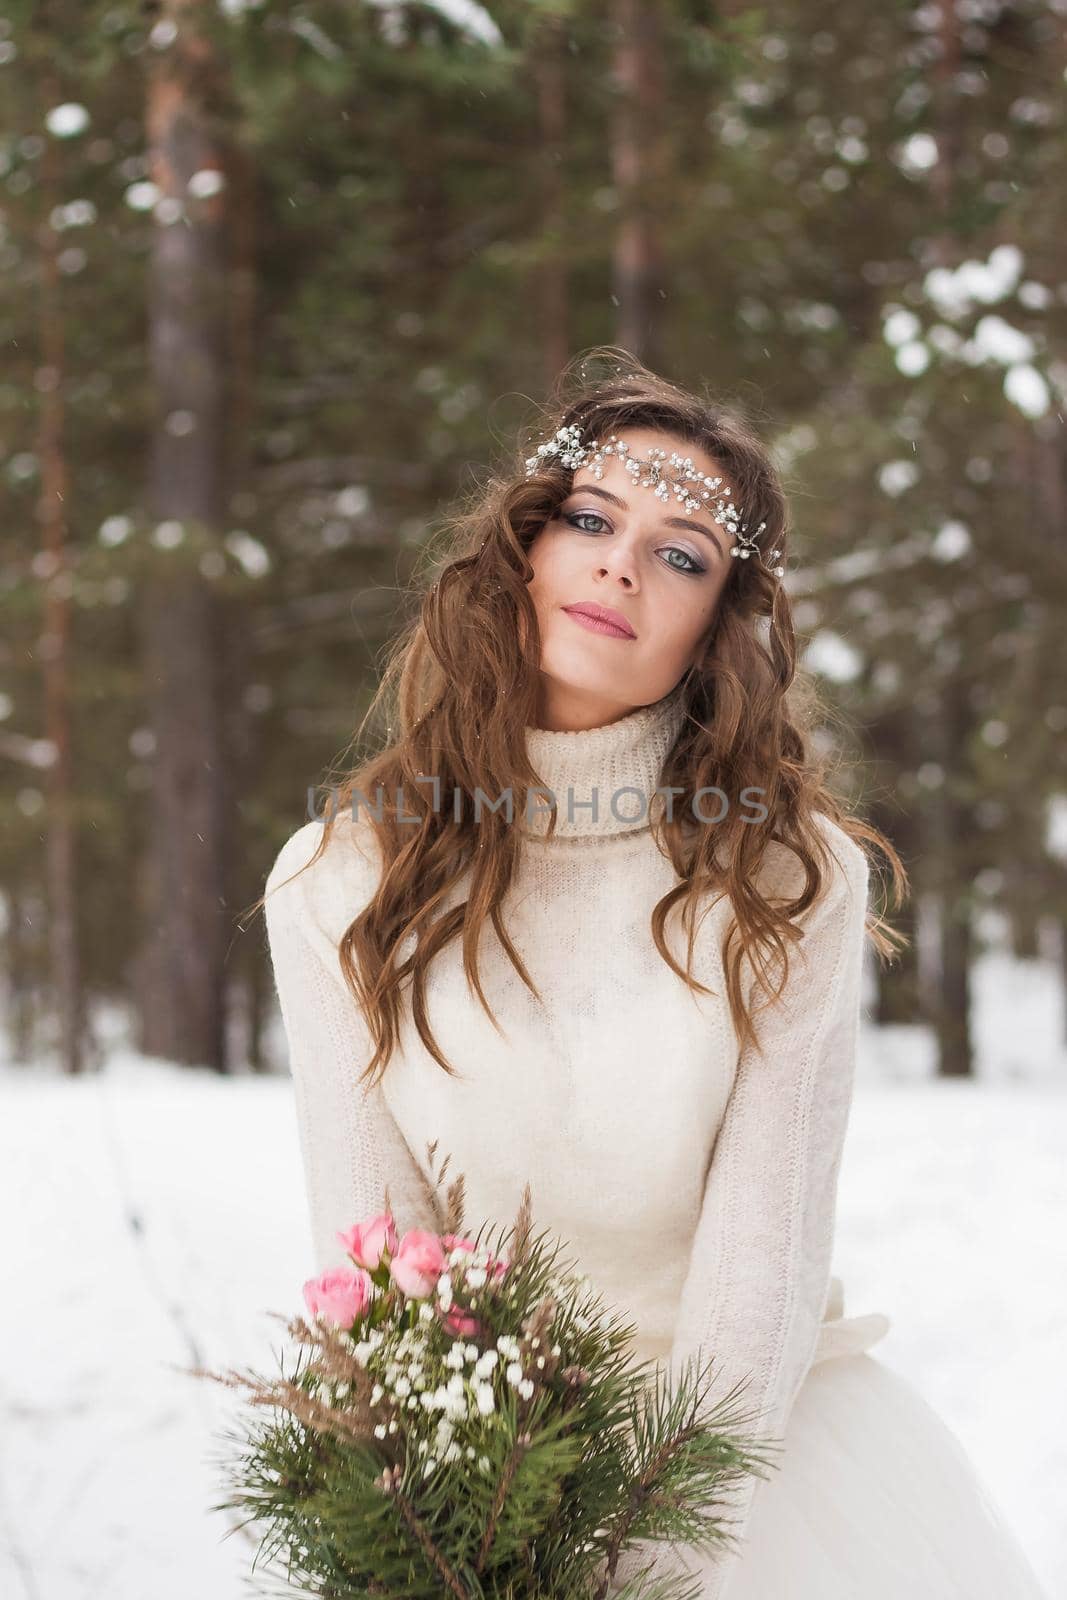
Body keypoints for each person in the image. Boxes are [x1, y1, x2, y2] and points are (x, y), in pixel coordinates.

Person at [260, 354, 1049, 1598]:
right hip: (475, 1499)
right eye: (589, 520)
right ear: (522, 549)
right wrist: (435, 1537)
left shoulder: (785, 882)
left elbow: (761, 1267)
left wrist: (649, 1557)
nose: (620, 564)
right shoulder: (335, 881)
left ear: (715, 626)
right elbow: (377, 1262)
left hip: (748, 1474)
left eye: (679, 554)